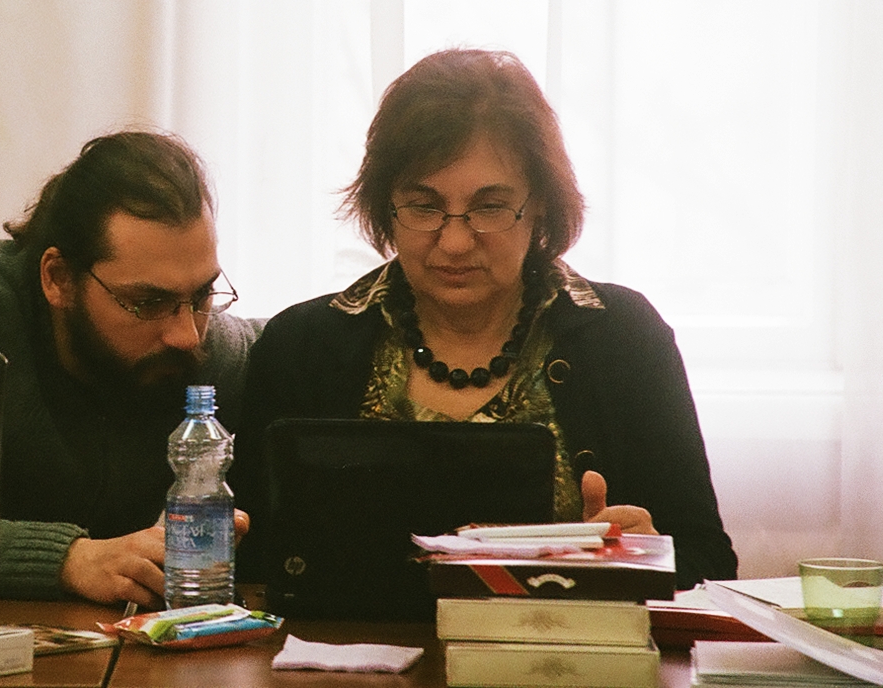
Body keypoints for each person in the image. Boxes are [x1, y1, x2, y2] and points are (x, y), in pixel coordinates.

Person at [234, 49, 737, 590]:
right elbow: (249, 558)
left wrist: (647, 556)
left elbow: (710, 560)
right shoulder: (300, 347)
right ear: (386, 205)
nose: (454, 242)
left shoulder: (624, 338)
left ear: (540, 203)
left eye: (490, 207)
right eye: (424, 206)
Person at [0, 130, 260, 606]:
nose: (187, 335)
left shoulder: (202, 344)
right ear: (58, 278)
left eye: (203, 294)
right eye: (147, 302)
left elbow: (291, 344)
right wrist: (68, 560)